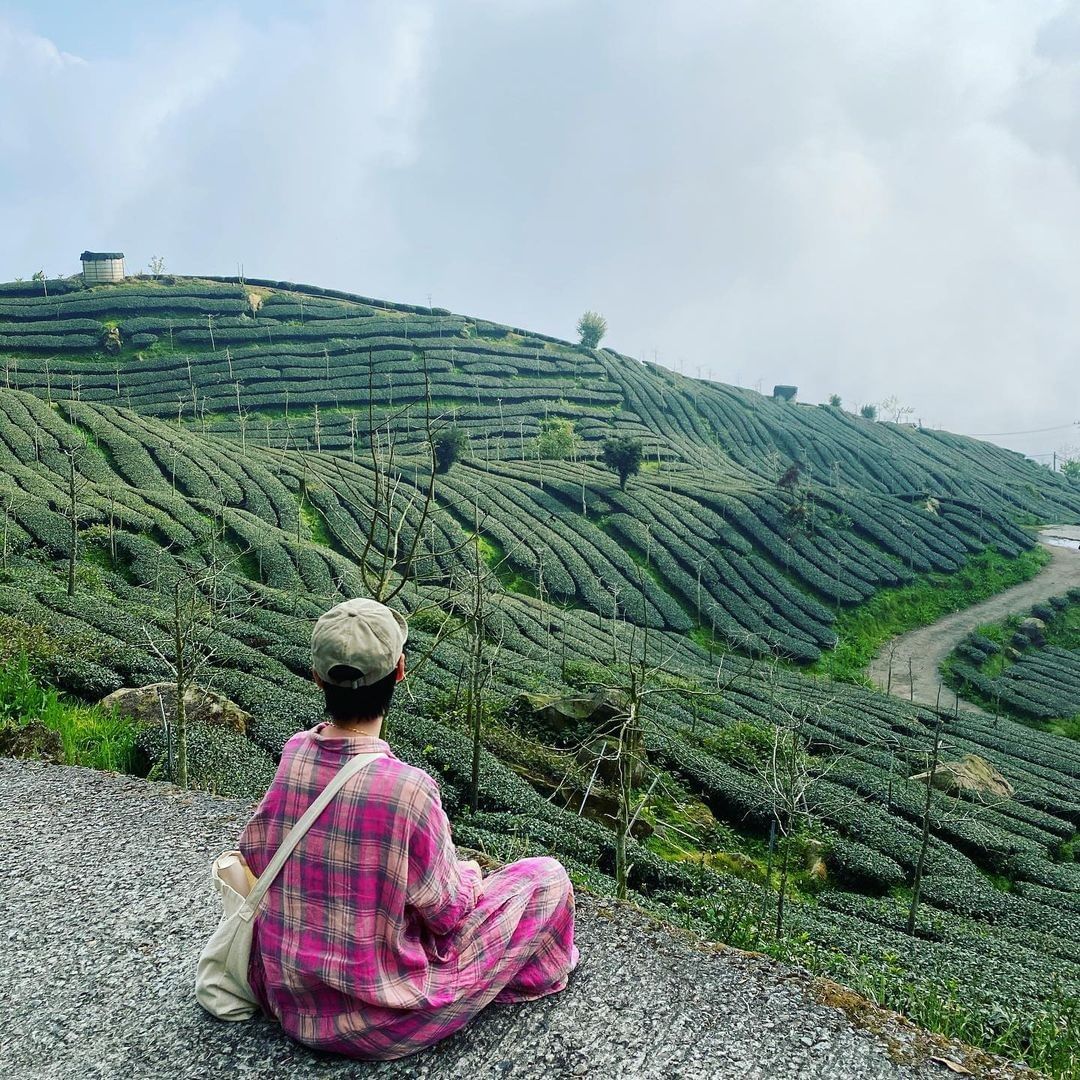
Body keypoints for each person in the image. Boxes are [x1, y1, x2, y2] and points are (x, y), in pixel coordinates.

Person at [237, 597, 579, 1061]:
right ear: (400, 671)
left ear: (316, 677)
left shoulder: (296, 753)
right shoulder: (409, 788)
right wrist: (471, 873)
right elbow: (446, 912)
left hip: (292, 1000)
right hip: (379, 1018)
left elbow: (256, 853)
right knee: (546, 879)